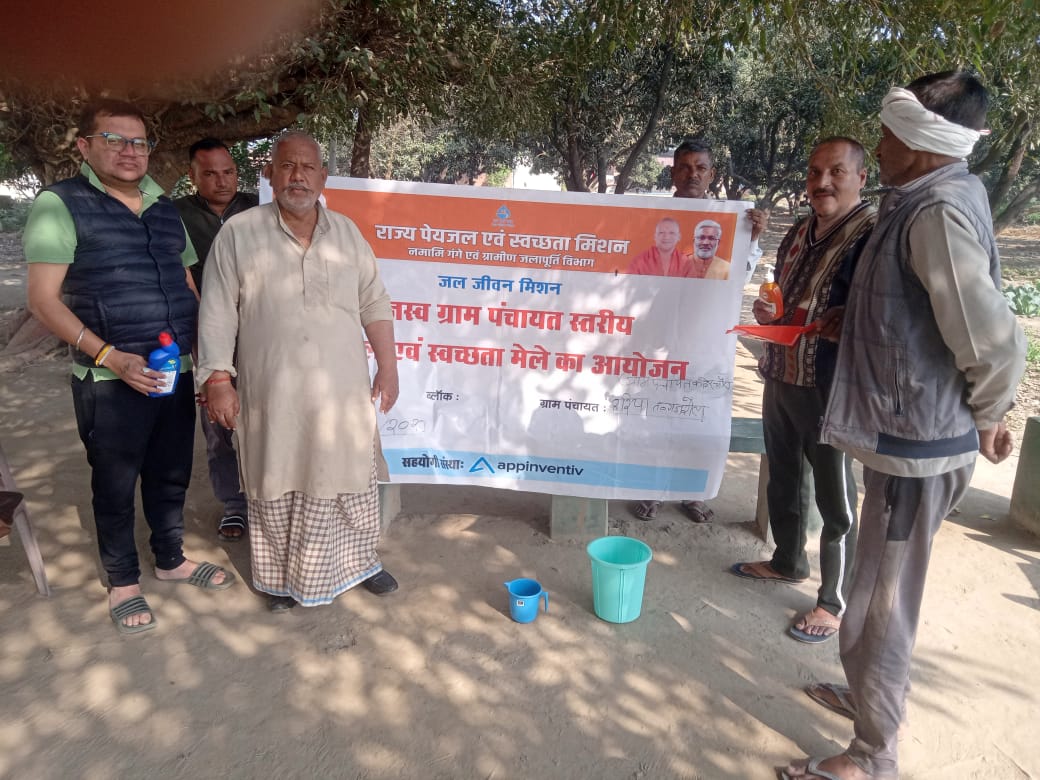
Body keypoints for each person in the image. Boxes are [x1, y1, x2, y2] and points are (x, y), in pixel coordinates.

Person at [781, 72, 1026, 780]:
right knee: (876, 592)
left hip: (918, 447)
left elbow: (993, 341)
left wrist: (990, 411)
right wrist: (846, 319)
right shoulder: (924, 198)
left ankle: (872, 754)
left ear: (920, 141)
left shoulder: (936, 212)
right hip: (904, 436)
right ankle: (866, 699)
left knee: (879, 609)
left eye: (887, 136)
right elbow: (912, 312)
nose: (880, 147)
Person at [24, 99, 235, 636]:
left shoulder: (164, 208)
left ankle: (170, 559)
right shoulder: (60, 204)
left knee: (171, 470)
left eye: (139, 142)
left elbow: (186, 283)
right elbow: (43, 301)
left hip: (173, 368)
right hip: (108, 377)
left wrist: (203, 360)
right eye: (114, 140)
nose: (129, 151)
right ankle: (122, 581)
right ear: (85, 146)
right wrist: (110, 357)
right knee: (115, 481)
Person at [198, 130, 400, 612]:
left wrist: (389, 367)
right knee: (277, 478)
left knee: (348, 477)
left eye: (308, 167)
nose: (298, 176)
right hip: (274, 394)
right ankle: (280, 580)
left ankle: (360, 563)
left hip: (342, 394)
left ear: (323, 177)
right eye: (287, 166)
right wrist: (218, 379)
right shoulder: (240, 233)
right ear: (270, 174)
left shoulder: (347, 233)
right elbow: (217, 311)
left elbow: (374, 302)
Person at [729, 137, 876, 645]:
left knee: (836, 500)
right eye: (814, 172)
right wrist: (769, 312)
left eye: (836, 171)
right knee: (784, 475)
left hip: (831, 387)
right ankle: (787, 560)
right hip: (782, 371)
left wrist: (848, 319)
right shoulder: (798, 230)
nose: (822, 182)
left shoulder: (872, 234)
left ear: (861, 177)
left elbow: (885, 310)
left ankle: (834, 603)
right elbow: (783, 296)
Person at [632, 139, 770, 523]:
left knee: (700, 414)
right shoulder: (655, 219)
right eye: (685, 167)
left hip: (705, 341)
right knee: (658, 414)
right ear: (673, 173)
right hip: (659, 336)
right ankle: (653, 490)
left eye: (701, 168)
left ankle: (693, 492)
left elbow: (736, 279)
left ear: (711, 174)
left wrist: (752, 239)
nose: (692, 174)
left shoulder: (730, 222)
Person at [174, 138, 259, 542]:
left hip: (263, 334)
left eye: (229, 172)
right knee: (219, 422)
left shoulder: (261, 207)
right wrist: (202, 349)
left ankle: (267, 500)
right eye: (209, 174)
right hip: (206, 335)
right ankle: (234, 504)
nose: (222, 181)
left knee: (269, 419)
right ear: (192, 176)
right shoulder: (176, 216)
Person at [625, 217, 698, 276]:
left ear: (679, 237)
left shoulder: (686, 263)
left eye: (671, 233)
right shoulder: (639, 260)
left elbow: (691, 287)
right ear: (655, 236)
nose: (666, 237)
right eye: (661, 232)